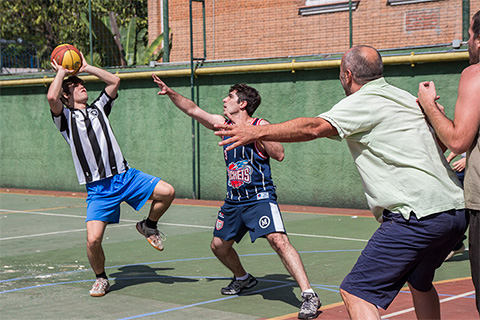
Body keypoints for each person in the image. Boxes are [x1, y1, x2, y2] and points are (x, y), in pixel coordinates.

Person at [214, 45, 467, 319]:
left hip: (415, 216)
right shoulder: (403, 97)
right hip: (453, 211)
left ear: (347, 75)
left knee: (355, 292)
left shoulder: (361, 102)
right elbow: (434, 147)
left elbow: (313, 128)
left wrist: (254, 132)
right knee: (420, 282)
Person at [152, 74, 321, 319]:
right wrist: (171, 93)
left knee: (278, 241)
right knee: (218, 246)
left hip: (259, 197)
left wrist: (255, 134)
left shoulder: (261, 125)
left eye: (230, 97)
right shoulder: (223, 124)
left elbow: (280, 153)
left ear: (242, 104)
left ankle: (308, 294)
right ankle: (243, 278)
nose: (224, 100)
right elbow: (194, 110)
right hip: (234, 200)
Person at [47, 52, 175, 297]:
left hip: (125, 177)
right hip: (98, 189)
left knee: (167, 192)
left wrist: (85, 67)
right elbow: (52, 96)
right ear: (66, 95)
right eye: (75, 86)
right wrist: (62, 72)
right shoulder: (64, 119)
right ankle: (101, 278)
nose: (82, 86)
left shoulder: (99, 109)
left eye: (82, 84)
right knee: (93, 240)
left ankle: (148, 226)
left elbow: (114, 82)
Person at [417, 10, 480, 313]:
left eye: (469, 35)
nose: (466, 41)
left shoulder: (475, 74)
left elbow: (457, 140)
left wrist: (430, 107)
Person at [444, 151, 467, 261]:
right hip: (466, 168)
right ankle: (456, 245)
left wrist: (468, 160)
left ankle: (456, 245)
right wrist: (448, 159)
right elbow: (465, 142)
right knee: (452, 207)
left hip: (473, 166)